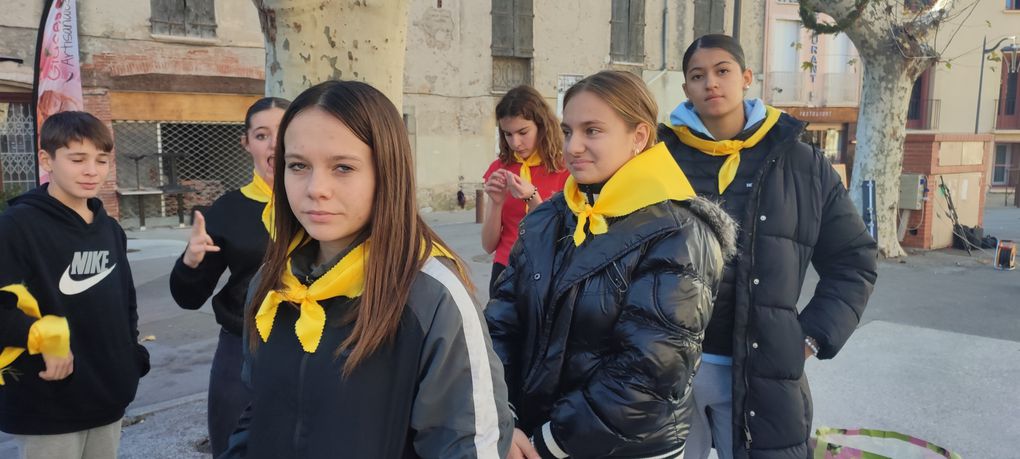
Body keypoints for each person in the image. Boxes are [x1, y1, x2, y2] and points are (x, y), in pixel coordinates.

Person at [219, 80, 513, 458]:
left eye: (343, 167)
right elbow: (257, 410)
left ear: (386, 172)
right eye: (298, 166)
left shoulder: (430, 296)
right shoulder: (273, 283)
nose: (315, 188)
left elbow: (466, 445)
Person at [486, 70, 737, 459]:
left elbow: (649, 373)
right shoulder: (549, 216)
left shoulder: (681, 233)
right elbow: (502, 322)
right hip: (528, 435)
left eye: (593, 131)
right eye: (568, 131)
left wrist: (547, 442)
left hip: (616, 448)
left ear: (638, 137)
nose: (574, 146)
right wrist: (505, 417)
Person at [657, 34, 878, 459]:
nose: (711, 84)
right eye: (697, 76)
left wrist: (812, 335)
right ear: (686, 88)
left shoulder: (801, 163)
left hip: (761, 371)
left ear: (746, 78)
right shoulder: (657, 160)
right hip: (666, 367)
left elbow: (854, 260)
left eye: (722, 71)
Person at [0, 111, 150, 459]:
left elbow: (125, 303)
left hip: (107, 397)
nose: (91, 171)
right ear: (46, 159)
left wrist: (131, 359)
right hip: (46, 403)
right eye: (77, 158)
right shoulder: (15, 227)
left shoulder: (109, 229)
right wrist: (42, 335)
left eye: (101, 160)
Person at [168, 97, 290, 457]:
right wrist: (190, 261)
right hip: (241, 348)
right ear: (246, 143)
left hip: (311, 346)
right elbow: (189, 298)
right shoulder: (227, 210)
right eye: (262, 135)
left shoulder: (319, 201)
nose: (274, 145)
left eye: (283, 134)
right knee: (234, 446)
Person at [482, 85, 569, 297]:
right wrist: (496, 202)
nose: (515, 143)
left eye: (523, 132)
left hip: (548, 269)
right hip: (506, 267)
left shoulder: (566, 169)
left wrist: (532, 198)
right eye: (508, 134)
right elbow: (488, 245)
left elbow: (561, 236)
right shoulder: (499, 168)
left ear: (542, 126)